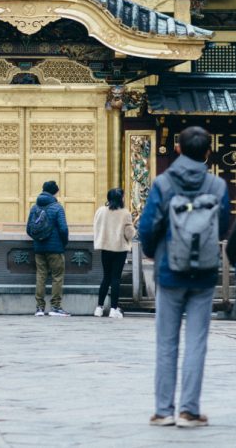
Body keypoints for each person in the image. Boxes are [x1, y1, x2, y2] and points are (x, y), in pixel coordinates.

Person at [139, 126, 229, 429]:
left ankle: (164, 410)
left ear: (177, 149)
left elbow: (148, 226)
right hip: (203, 274)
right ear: (207, 152)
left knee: (166, 342)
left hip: (169, 270)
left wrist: (155, 253)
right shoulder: (216, 185)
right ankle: (189, 411)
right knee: (196, 342)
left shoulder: (163, 183)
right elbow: (223, 225)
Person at [93, 188, 135, 318]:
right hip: (119, 248)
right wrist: (134, 232)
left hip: (105, 247)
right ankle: (113, 308)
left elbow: (96, 226)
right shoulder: (125, 213)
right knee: (116, 278)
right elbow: (129, 233)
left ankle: (99, 308)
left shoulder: (100, 211)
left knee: (106, 277)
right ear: (120, 198)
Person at [32, 180, 70, 317]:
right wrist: (63, 243)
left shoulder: (34, 207)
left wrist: (38, 238)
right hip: (55, 248)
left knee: (40, 276)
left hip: (39, 248)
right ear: (55, 192)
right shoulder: (57, 207)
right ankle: (55, 307)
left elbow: (29, 229)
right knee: (57, 277)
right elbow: (63, 228)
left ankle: (39, 308)